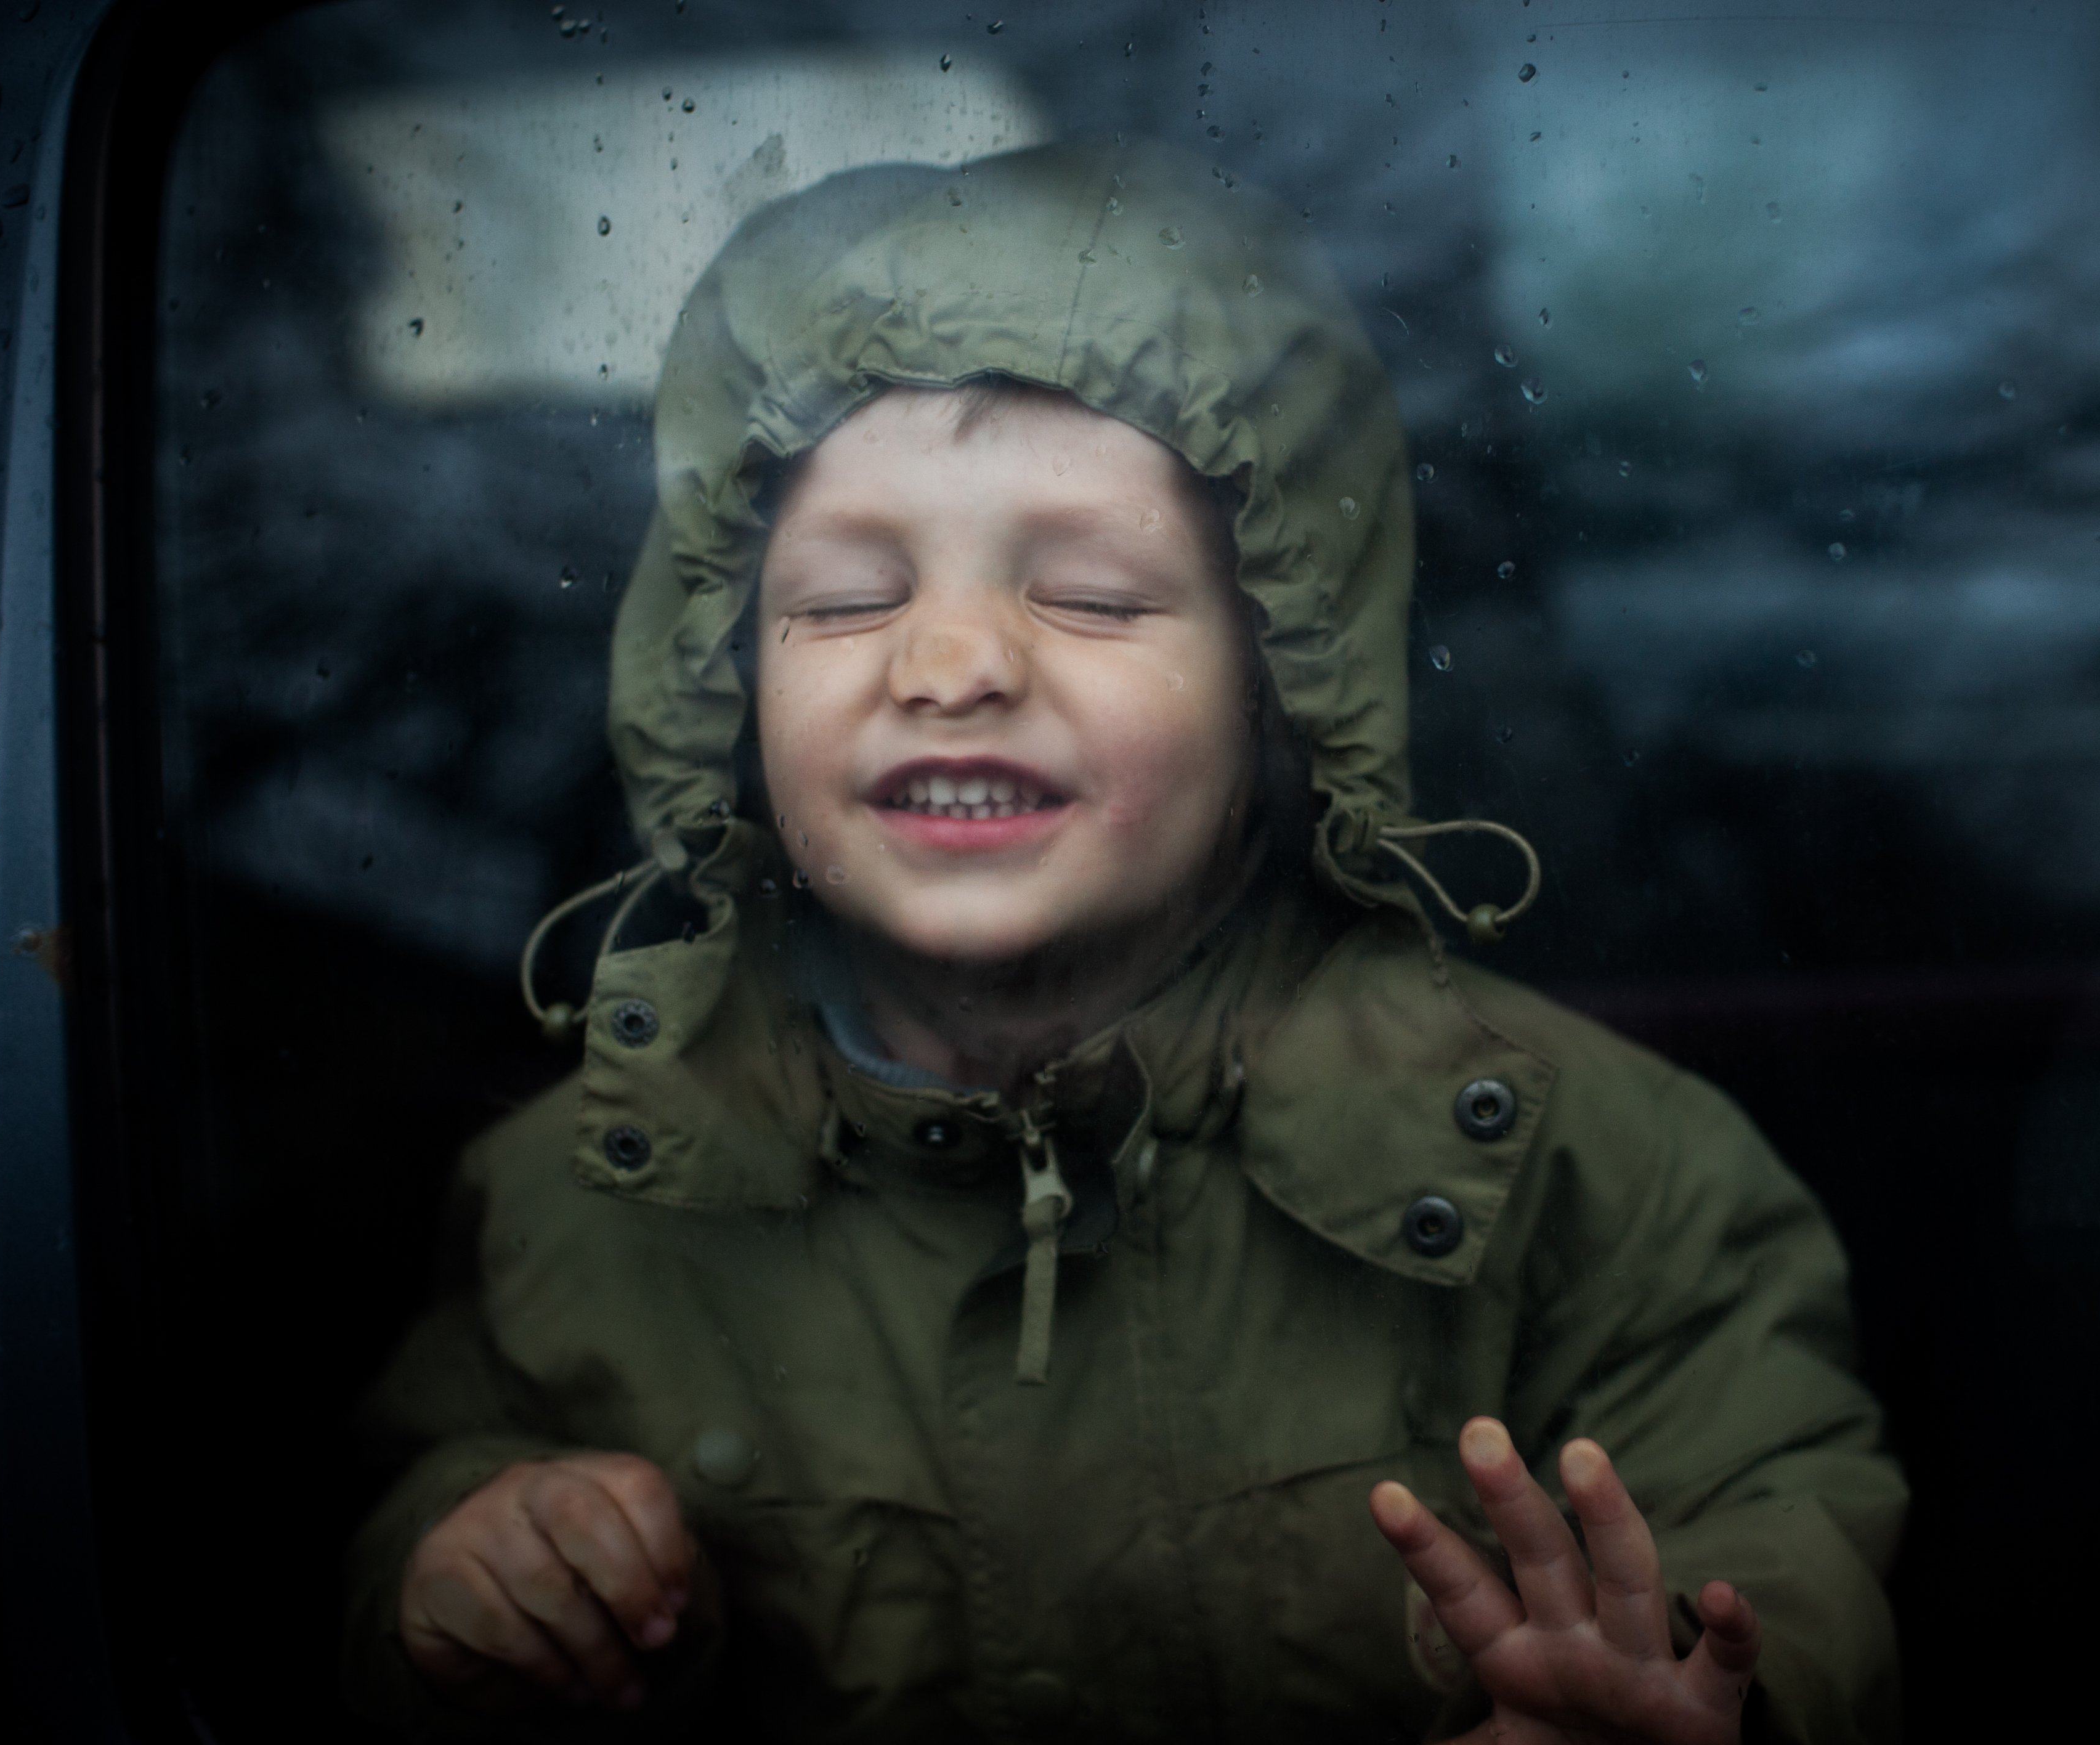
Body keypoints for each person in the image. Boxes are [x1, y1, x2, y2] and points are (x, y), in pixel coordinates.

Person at [342, 139, 1905, 1744]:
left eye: (1089, 596)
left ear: (1283, 678)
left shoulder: (1586, 1165)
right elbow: (411, 1503)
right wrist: (472, 1569)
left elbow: (1773, 1512)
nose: (950, 663)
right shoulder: (587, 1185)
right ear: (728, 681)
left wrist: (1690, 1693)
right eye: (848, 596)